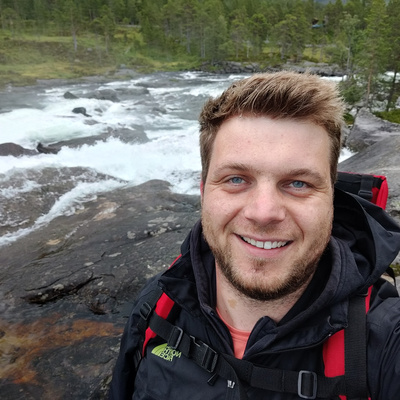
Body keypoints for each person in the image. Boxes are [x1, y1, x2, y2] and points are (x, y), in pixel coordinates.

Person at [109, 71, 400, 400]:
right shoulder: (158, 304)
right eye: (236, 179)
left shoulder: (383, 339)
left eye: (298, 183)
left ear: (332, 199)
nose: (263, 213)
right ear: (204, 192)